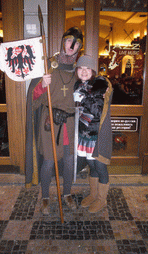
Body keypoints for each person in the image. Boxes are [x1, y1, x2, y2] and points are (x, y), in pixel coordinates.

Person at [25, 27, 83, 215]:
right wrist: (42, 85)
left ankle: (66, 194)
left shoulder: (79, 71)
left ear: (79, 48)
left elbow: (92, 87)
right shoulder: (49, 66)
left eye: (76, 44)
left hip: (70, 124)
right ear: (62, 42)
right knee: (49, 162)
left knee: (68, 161)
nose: (71, 46)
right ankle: (45, 198)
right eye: (69, 41)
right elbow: (34, 98)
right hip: (50, 123)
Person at [73, 55, 113, 213]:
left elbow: (97, 110)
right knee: (91, 165)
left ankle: (102, 199)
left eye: (87, 68)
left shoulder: (100, 85)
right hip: (85, 134)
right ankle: (93, 194)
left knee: (100, 166)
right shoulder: (78, 85)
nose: (83, 71)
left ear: (93, 71)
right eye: (81, 68)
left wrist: (83, 100)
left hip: (98, 134)